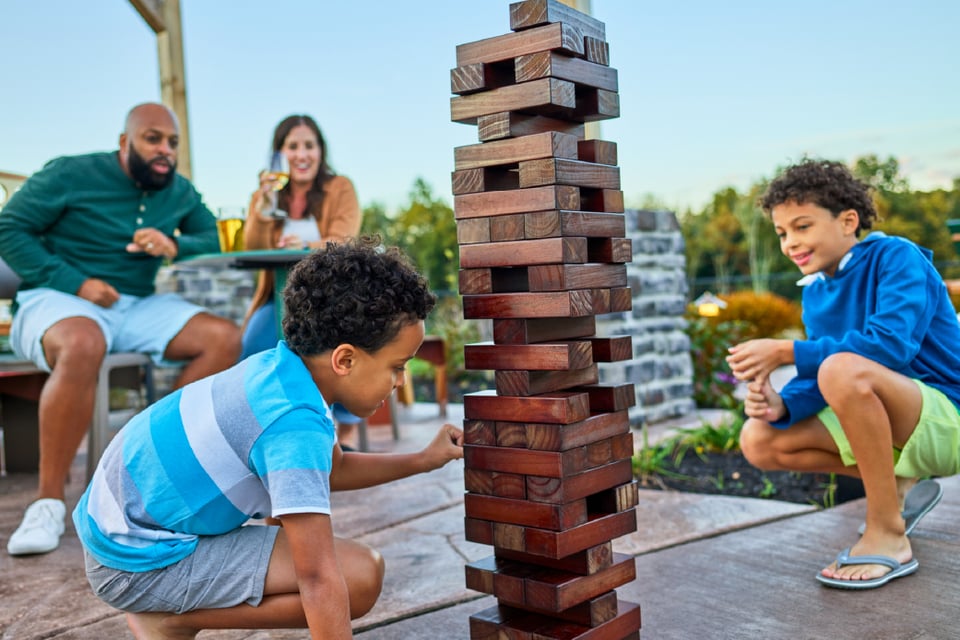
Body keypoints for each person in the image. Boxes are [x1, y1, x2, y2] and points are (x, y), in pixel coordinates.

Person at [72, 237, 463, 639]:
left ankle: (170, 609)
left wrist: (423, 459)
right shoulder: (292, 423)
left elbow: (333, 468)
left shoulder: (282, 372)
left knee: (329, 548)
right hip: (135, 565)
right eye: (397, 367)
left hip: (118, 535)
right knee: (358, 577)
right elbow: (317, 577)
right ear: (344, 359)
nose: (400, 382)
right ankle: (170, 618)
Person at [0, 103, 242, 557]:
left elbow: (211, 238)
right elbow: (8, 227)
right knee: (84, 342)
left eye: (172, 143)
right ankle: (48, 501)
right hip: (58, 297)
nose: (165, 151)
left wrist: (175, 244)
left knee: (223, 338)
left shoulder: (179, 190)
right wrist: (78, 283)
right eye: (153, 139)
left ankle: (147, 471)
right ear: (124, 142)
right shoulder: (69, 174)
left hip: (136, 304)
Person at [726, 158, 959, 590]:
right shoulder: (816, 291)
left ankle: (889, 533)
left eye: (802, 226)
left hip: (949, 417)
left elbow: (889, 347)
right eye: (782, 233)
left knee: (843, 368)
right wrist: (782, 403)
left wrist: (784, 350)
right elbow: (819, 380)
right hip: (901, 425)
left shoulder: (896, 257)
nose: (790, 243)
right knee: (759, 438)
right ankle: (901, 485)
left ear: (848, 221)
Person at [240, 114, 364, 441]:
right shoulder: (266, 195)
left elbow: (346, 239)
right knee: (254, 342)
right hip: (281, 297)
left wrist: (307, 244)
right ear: (279, 153)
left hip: (333, 297)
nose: (302, 154)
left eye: (309, 145)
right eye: (292, 146)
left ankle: (345, 434)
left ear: (320, 151)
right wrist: (264, 206)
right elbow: (252, 247)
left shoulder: (340, 187)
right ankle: (267, 428)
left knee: (340, 344)